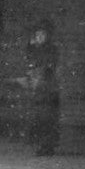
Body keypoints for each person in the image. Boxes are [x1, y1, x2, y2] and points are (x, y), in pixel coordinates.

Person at [26, 20, 59, 156]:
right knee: (40, 117)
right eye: (37, 35)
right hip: (39, 88)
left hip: (48, 88)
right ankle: (42, 144)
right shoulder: (36, 49)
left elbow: (47, 67)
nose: (39, 37)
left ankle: (47, 146)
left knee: (47, 118)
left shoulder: (51, 49)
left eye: (42, 34)